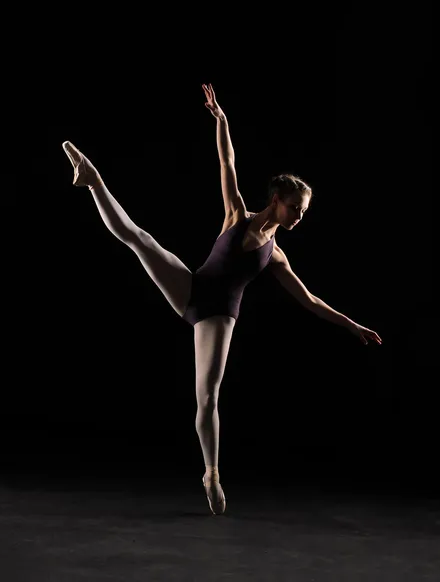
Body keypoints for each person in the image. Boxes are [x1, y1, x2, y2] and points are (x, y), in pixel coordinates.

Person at [62, 83, 382, 516]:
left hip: (217, 316)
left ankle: (210, 472)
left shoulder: (277, 255)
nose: (299, 217)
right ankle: (93, 178)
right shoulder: (237, 212)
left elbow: (308, 299)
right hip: (192, 287)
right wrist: (222, 119)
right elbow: (227, 161)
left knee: (207, 397)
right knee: (141, 239)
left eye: (303, 212)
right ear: (277, 200)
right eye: (295, 208)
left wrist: (352, 325)